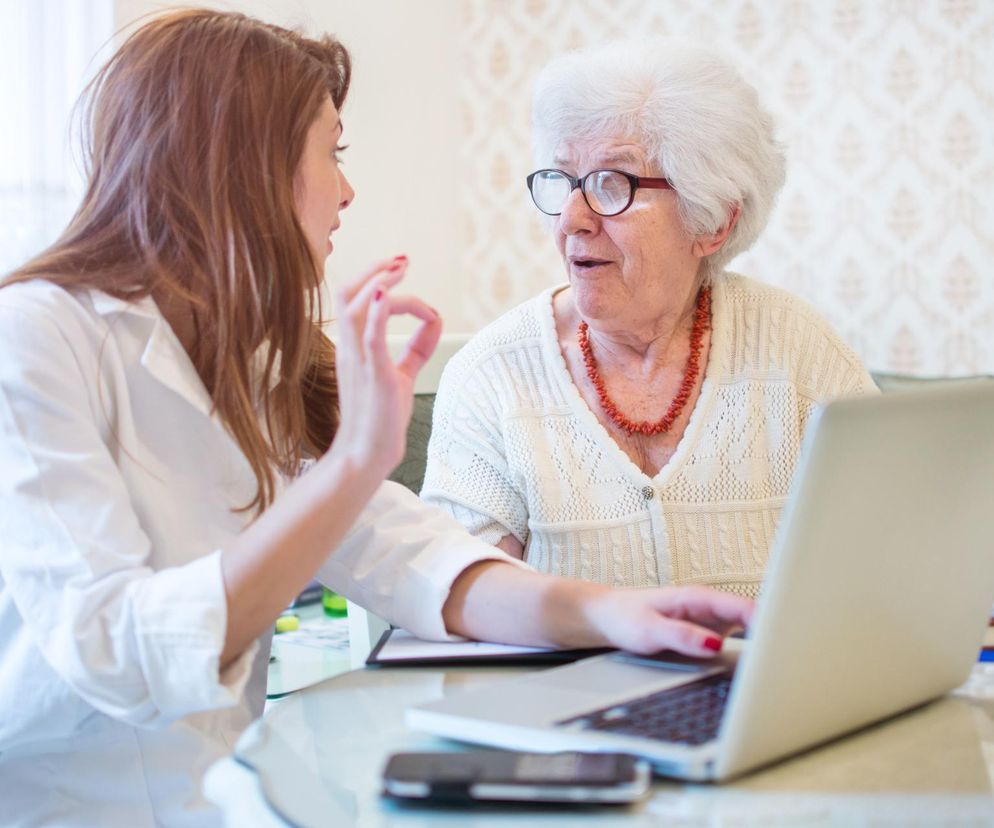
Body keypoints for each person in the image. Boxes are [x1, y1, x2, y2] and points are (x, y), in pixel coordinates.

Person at [0, 12, 753, 827]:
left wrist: (611, 613)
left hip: (223, 800)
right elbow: (113, 653)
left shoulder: (251, 357)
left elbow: (412, 556)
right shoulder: (34, 338)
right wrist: (357, 458)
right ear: (244, 166)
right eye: (333, 152)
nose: (347, 189)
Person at [421, 40, 877, 598]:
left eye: (613, 183)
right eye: (563, 180)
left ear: (711, 222)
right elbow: (456, 595)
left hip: (776, 685)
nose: (572, 219)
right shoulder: (492, 375)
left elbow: (899, 539)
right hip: (569, 687)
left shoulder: (795, 347)